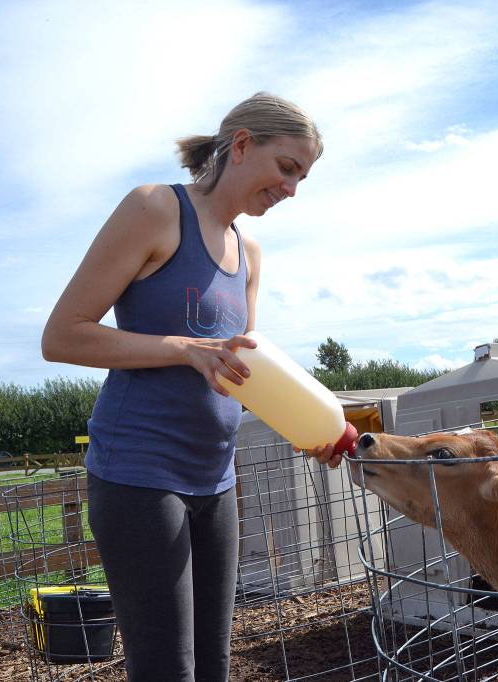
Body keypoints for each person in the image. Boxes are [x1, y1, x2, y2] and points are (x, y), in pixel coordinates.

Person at [42, 92, 336, 681]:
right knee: (165, 670)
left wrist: (309, 428)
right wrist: (180, 348)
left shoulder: (249, 253)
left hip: (216, 480)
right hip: (139, 477)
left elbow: (245, 373)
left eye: (302, 178)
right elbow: (63, 336)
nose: (292, 189)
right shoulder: (155, 209)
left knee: (213, 667)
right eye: (287, 168)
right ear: (244, 144)